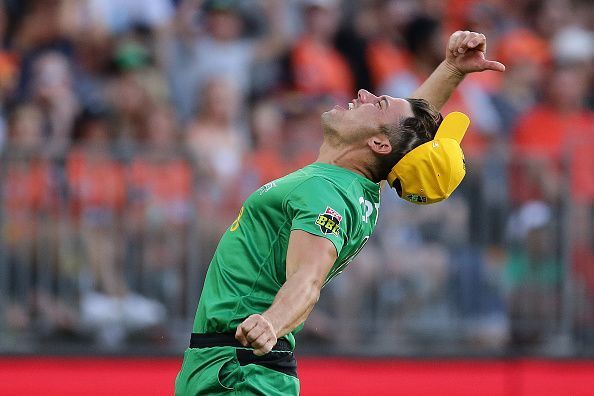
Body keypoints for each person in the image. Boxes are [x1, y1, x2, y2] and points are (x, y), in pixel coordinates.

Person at [175, 30, 505, 395]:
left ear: (377, 143)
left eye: (376, 103)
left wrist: (272, 322)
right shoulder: (359, 184)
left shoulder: (327, 193)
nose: (363, 94)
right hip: (230, 366)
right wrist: (452, 70)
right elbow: (403, 132)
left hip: (241, 373)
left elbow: (308, 279)